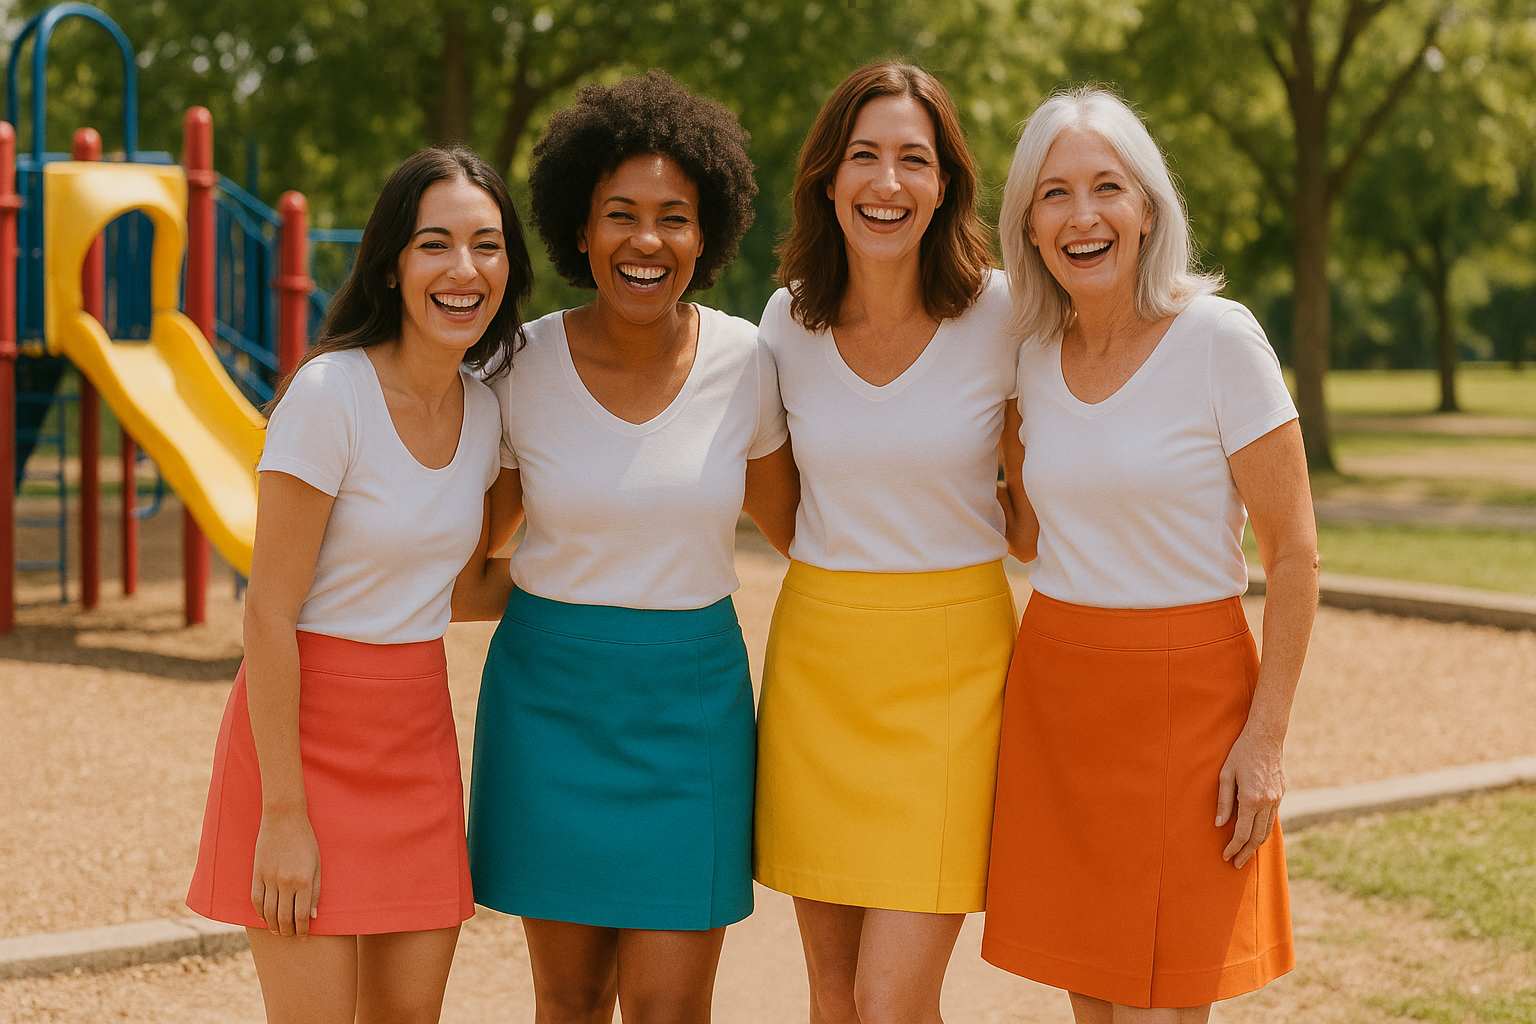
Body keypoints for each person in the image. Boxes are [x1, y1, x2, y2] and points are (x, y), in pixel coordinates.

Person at [455, 71, 798, 1024]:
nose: (647, 241)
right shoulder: (518, 364)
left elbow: (809, 532)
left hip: (691, 708)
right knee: (566, 1002)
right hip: (548, 702)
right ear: (579, 227)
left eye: (674, 218)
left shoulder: (746, 365)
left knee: (670, 1008)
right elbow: (466, 554)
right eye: (620, 214)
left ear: (708, 231)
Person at [981, 86, 1319, 1024]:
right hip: (1057, 692)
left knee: (1163, 1010)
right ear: (1029, 224)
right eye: (1054, 194)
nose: (1082, 215)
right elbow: (1031, 533)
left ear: (1147, 209)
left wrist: (1267, 738)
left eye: (1106, 188)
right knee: (1095, 1000)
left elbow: (1295, 554)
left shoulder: (1220, 340)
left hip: (1194, 704)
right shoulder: (1031, 357)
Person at [186, 147, 533, 1024]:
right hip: (301, 745)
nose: (465, 269)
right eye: (435, 245)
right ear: (390, 263)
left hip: (417, 740)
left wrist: (611, 588)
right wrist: (284, 816)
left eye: (487, 246)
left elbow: (461, 592)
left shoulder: (488, 411)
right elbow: (267, 615)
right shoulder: (329, 393)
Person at [752, 62, 1024, 1024]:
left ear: (946, 183)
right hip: (820, 661)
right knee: (833, 992)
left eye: (915, 158)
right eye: (863, 156)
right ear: (827, 178)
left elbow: (1034, 509)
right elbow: (777, 506)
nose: (888, 182)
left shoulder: (1002, 313)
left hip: (956, 672)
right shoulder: (785, 322)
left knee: (891, 999)